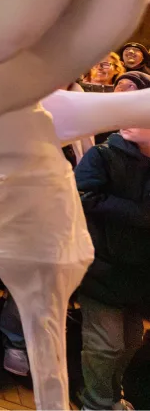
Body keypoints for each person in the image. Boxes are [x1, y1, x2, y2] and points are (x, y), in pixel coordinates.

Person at [74, 120, 150, 410]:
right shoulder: (103, 154)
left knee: (131, 341)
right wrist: (140, 214)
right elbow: (80, 195)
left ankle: (111, 397)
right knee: (106, 344)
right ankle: (96, 403)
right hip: (101, 265)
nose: (127, 120)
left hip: (138, 273)